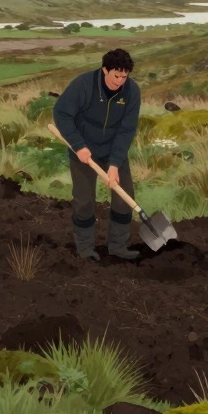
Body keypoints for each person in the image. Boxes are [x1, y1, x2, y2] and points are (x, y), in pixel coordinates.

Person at [52, 48, 142, 262]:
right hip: (84, 151)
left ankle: (118, 247)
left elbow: (127, 129)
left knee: (123, 197)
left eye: (124, 76)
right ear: (105, 70)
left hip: (113, 149)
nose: (120, 81)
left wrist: (115, 164)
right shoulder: (83, 85)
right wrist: (78, 145)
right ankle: (85, 250)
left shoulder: (131, 91)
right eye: (116, 75)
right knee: (84, 202)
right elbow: (61, 113)